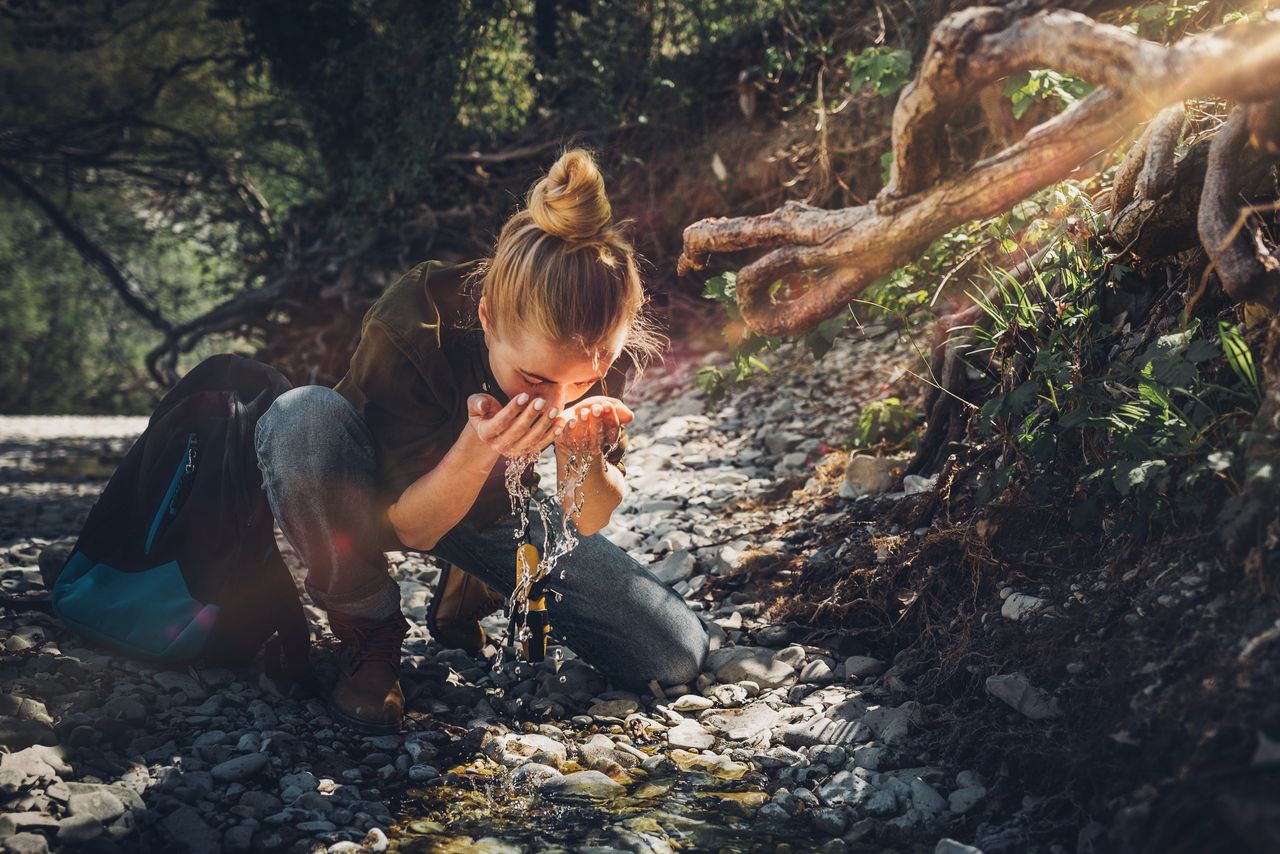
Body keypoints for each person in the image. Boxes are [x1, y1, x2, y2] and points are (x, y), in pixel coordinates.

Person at [254, 148, 709, 732]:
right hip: (369, 495)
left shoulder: (592, 338)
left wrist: (582, 458)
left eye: (584, 381)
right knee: (302, 415)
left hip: (492, 508)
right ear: (489, 318)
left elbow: (587, 517)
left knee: (672, 653)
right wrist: (479, 448)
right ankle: (367, 629)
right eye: (537, 378)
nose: (556, 401)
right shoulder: (419, 315)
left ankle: (471, 582)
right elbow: (409, 528)